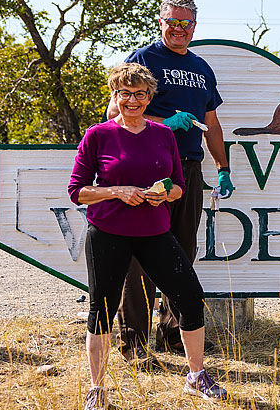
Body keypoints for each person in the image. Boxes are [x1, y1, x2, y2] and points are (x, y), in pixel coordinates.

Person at [70, 63, 227, 409]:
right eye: (125, 93)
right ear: (114, 96)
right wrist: (117, 191)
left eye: (140, 94)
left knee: (190, 296)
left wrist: (164, 194)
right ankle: (96, 388)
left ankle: (196, 376)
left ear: (149, 97)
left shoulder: (163, 135)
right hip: (108, 232)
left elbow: (178, 187)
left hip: (155, 232)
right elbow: (77, 192)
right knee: (102, 309)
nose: (132, 100)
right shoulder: (98, 135)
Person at [106, 0, 234, 361]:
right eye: (172, 22)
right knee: (139, 257)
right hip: (148, 166)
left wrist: (223, 168)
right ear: (161, 23)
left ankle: (175, 335)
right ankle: (134, 345)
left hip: (188, 168)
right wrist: (165, 122)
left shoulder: (202, 68)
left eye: (185, 23)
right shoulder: (142, 59)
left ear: (194, 26)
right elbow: (115, 112)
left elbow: (211, 124)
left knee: (181, 255)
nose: (178, 29)